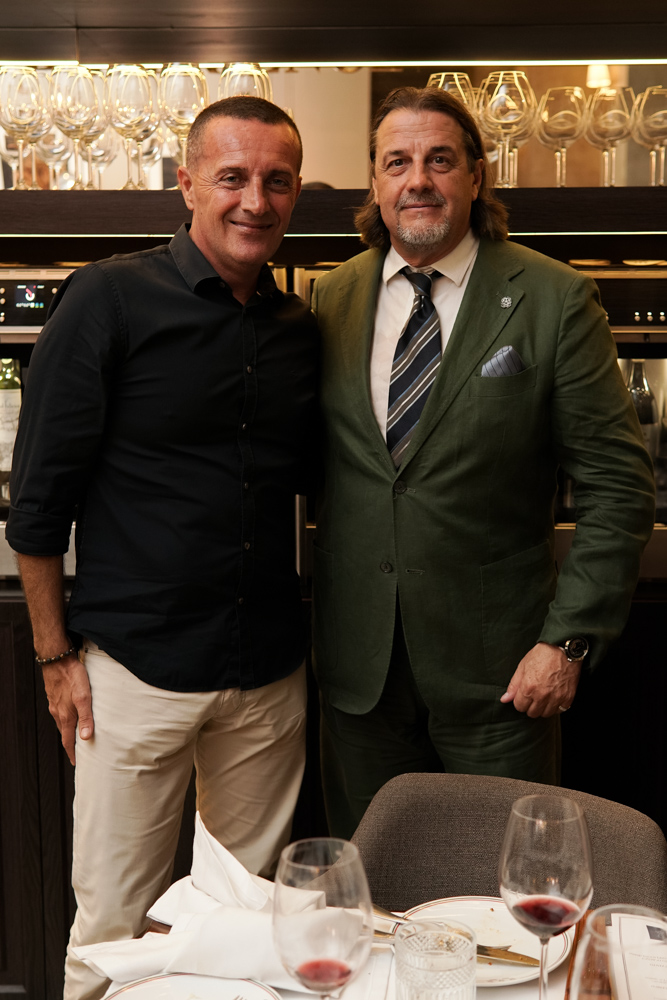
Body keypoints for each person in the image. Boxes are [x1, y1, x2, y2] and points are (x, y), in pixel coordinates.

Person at [6, 96, 318, 1000]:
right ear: (185, 184)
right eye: (232, 177)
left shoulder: (298, 328)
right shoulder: (108, 298)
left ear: (295, 193)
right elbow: (40, 500)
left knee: (246, 926)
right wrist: (53, 656)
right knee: (112, 931)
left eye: (276, 181)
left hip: (266, 678)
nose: (254, 200)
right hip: (135, 674)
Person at [310, 86, 655, 839]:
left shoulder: (553, 298)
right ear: (375, 182)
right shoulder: (330, 298)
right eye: (396, 162)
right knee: (370, 888)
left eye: (439, 160)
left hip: (502, 678)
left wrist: (565, 642)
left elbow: (617, 487)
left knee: (502, 889)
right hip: (358, 679)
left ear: (476, 175)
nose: (418, 180)